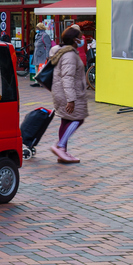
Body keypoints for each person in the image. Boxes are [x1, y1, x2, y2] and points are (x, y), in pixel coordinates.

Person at [49, 26, 91, 163]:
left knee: (66, 120)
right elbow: (68, 78)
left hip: (61, 92)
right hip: (69, 94)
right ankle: (60, 146)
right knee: (78, 119)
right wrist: (71, 100)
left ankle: (62, 153)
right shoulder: (70, 55)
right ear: (74, 39)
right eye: (80, 37)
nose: (82, 39)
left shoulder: (64, 52)